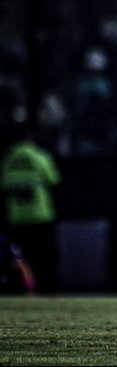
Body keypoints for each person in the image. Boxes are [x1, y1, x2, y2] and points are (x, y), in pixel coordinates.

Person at [0, 125, 62, 293]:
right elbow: (54, 179)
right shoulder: (39, 156)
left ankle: (22, 290)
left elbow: (3, 184)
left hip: (17, 216)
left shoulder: (7, 160)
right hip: (41, 215)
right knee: (45, 257)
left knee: (20, 258)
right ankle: (48, 290)